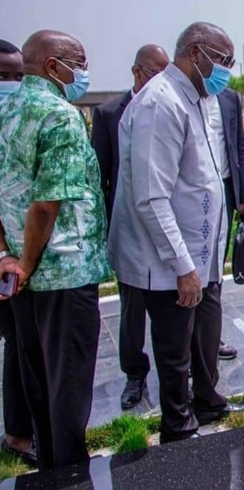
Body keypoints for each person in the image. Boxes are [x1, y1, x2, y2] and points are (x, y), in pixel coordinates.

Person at [107, 21, 244, 444]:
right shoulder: (161, 103)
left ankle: (205, 404)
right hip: (167, 261)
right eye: (224, 61)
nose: (228, 70)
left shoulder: (194, 99)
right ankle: (179, 431)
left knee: (195, 342)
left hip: (194, 251)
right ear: (196, 52)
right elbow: (152, 199)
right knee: (173, 354)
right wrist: (184, 267)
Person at [0, 30, 110, 470]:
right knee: (68, 385)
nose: (82, 72)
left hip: (24, 278)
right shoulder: (60, 115)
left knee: (38, 379)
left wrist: (9, 259)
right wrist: (25, 261)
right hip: (63, 274)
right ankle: (70, 473)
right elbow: (47, 205)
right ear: (52, 66)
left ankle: (49, 463)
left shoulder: (7, 111)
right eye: (77, 62)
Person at [91, 44, 168, 411]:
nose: (163, 81)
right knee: (132, 310)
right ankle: (135, 374)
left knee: (170, 307)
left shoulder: (171, 106)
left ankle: (176, 370)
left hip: (166, 226)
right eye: (156, 73)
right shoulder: (108, 114)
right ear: (137, 72)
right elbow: (101, 178)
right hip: (131, 230)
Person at [0, 39, 36, 467]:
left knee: (18, 344)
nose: (10, 84)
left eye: (17, 77)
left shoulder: (18, 125)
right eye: (2, 76)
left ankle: (19, 435)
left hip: (14, 261)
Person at [201, 85, 244, 361]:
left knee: (215, 271)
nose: (224, 67)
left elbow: (239, 146)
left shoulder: (230, 97)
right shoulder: (181, 93)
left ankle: (210, 337)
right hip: (190, 194)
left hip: (224, 192)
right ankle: (187, 343)